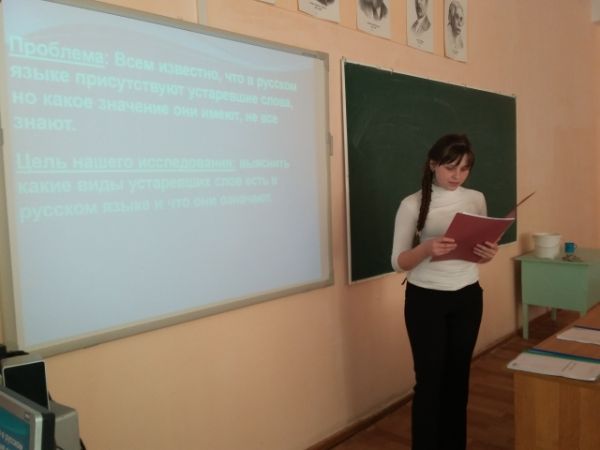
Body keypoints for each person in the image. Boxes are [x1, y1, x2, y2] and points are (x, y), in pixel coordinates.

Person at [390, 134, 498, 450]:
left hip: (468, 297)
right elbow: (397, 262)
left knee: (458, 379)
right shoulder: (411, 205)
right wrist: (426, 248)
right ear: (433, 164)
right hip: (426, 301)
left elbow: (477, 254)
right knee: (429, 383)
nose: (457, 176)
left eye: (464, 169)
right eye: (450, 168)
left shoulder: (476, 199)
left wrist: (488, 254)